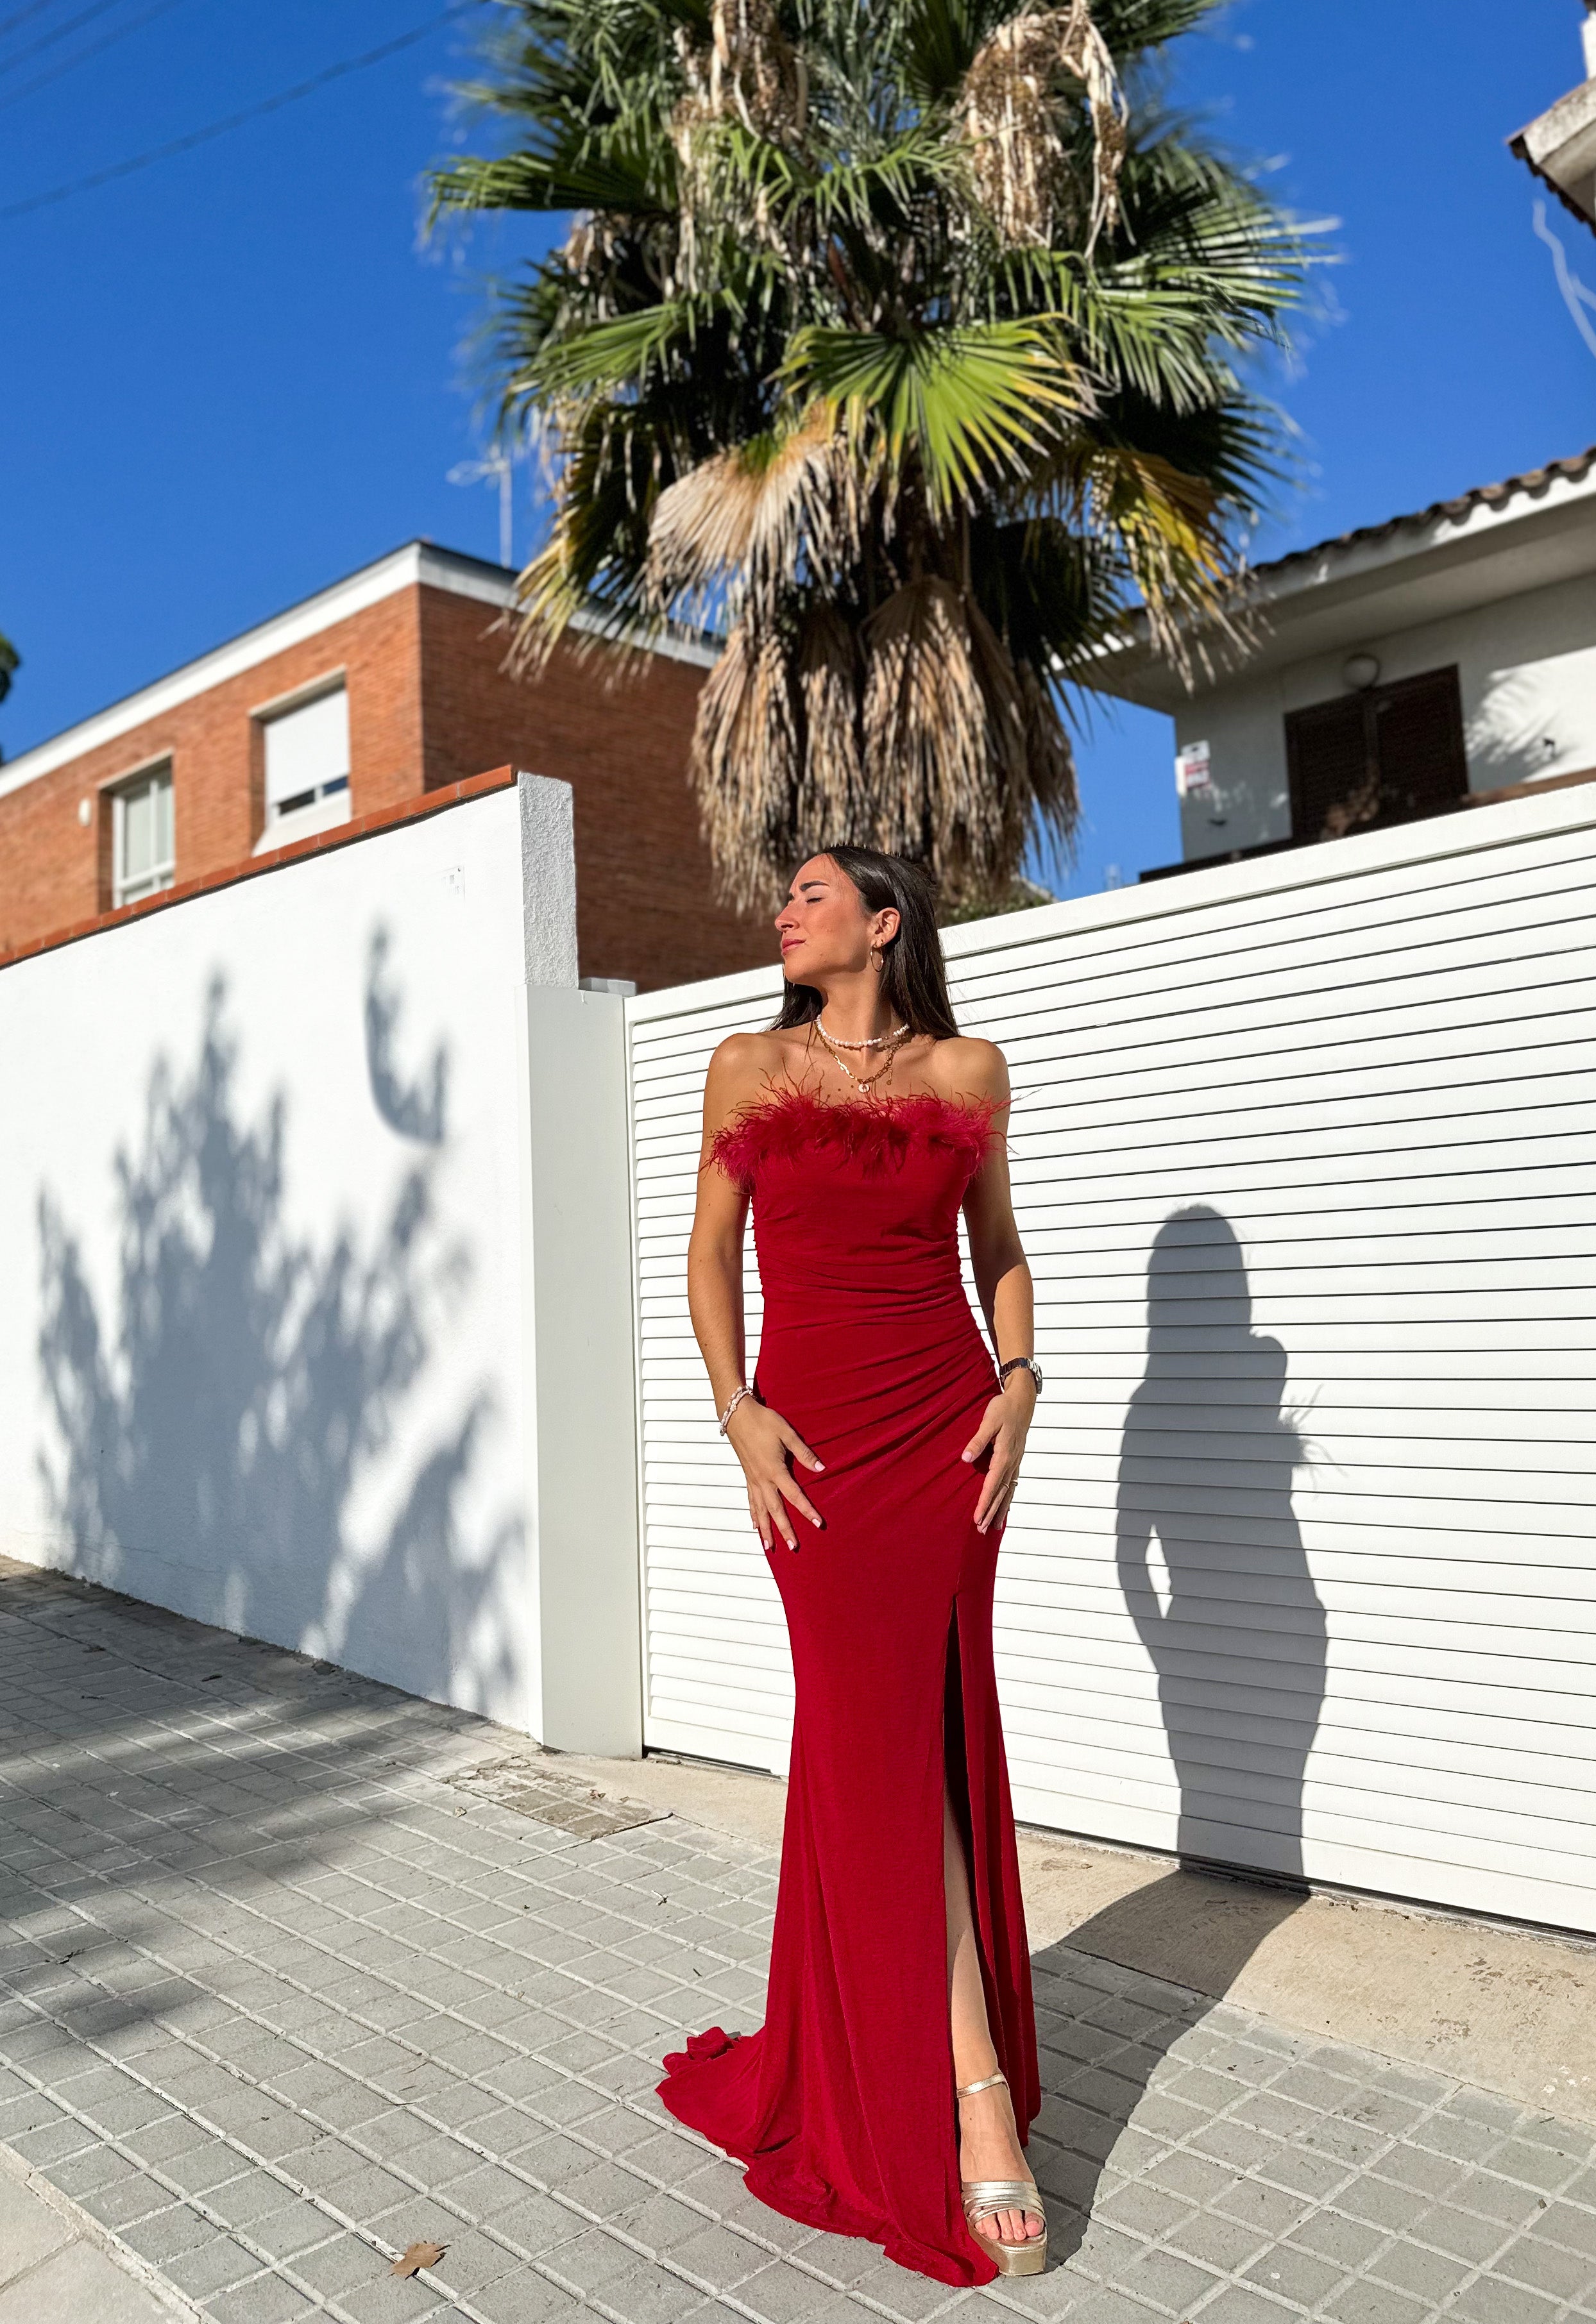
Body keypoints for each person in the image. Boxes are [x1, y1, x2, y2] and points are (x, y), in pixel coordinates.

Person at [658, 847, 1047, 2286]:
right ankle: (969, 2082)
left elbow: (997, 1247)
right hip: (811, 1447)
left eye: (814, 892)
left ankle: (945, 2067)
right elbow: (709, 1257)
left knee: (922, 1740)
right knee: (865, 1736)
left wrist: (1021, 1375)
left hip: (947, 1433)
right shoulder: (745, 1063)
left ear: (884, 925)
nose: (785, 907)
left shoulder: (968, 1074)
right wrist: (738, 1410)